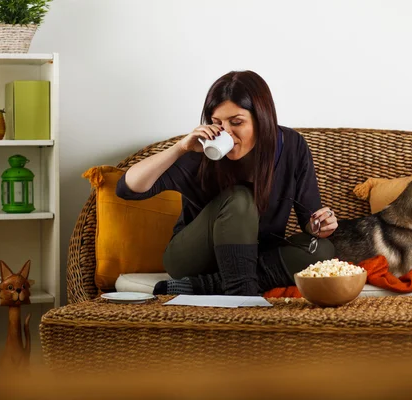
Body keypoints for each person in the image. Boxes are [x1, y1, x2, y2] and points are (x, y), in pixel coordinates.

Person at [116, 70, 338, 296]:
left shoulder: (292, 146)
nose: (227, 133)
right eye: (217, 122)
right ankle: (242, 296)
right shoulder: (201, 151)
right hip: (193, 260)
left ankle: (206, 286)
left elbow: (309, 222)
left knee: (323, 250)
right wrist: (180, 148)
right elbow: (128, 189)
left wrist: (320, 224)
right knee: (240, 199)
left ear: (262, 119)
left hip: (255, 256)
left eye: (237, 122)